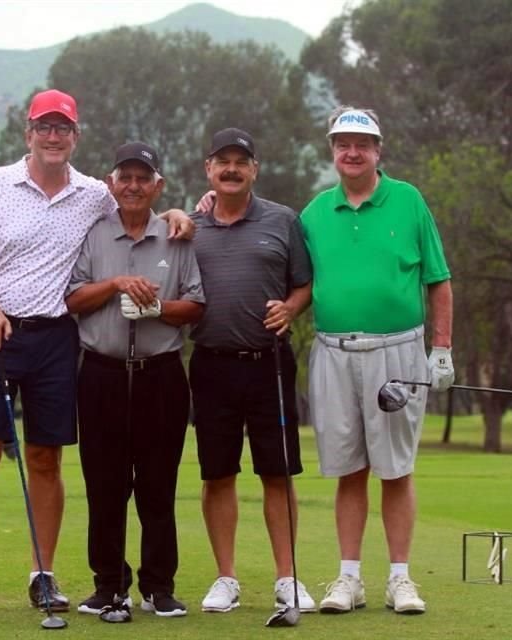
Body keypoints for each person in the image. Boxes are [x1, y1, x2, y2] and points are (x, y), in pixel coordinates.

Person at [0, 89, 193, 621]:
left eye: (63, 129)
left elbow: (136, 207)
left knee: (45, 458)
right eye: (43, 127)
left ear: (75, 137)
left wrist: (178, 211)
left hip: (56, 337)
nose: (53, 137)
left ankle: (43, 574)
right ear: (28, 133)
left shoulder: (92, 194)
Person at [299, 106, 454, 615]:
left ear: (377, 150)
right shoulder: (314, 212)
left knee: (395, 469)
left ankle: (400, 579)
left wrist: (442, 349)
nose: (351, 152)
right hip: (334, 350)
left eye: (361, 144)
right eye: (342, 143)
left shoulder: (408, 201)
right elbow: (299, 282)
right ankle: (349, 580)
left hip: (398, 352)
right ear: (333, 150)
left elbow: (438, 281)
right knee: (348, 469)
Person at [66, 142, 204, 618]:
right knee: (104, 487)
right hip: (101, 374)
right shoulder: (94, 234)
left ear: (158, 186)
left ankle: (159, 587)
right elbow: (73, 299)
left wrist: (156, 307)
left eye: (143, 178)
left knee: (157, 486)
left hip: (160, 375)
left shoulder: (176, 235)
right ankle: (108, 585)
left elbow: (195, 305)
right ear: (111, 183)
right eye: (125, 177)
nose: (133, 186)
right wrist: (116, 283)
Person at [188, 128, 316, 614]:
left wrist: (290, 308)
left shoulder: (283, 220)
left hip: (269, 365)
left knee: (277, 473)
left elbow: (303, 285)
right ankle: (226, 578)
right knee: (217, 474)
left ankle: (287, 577)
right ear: (209, 169)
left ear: (254, 169)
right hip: (211, 365)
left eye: (241, 161)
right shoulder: (190, 224)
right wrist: (177, 213)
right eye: (223, 162)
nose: (232, 169)